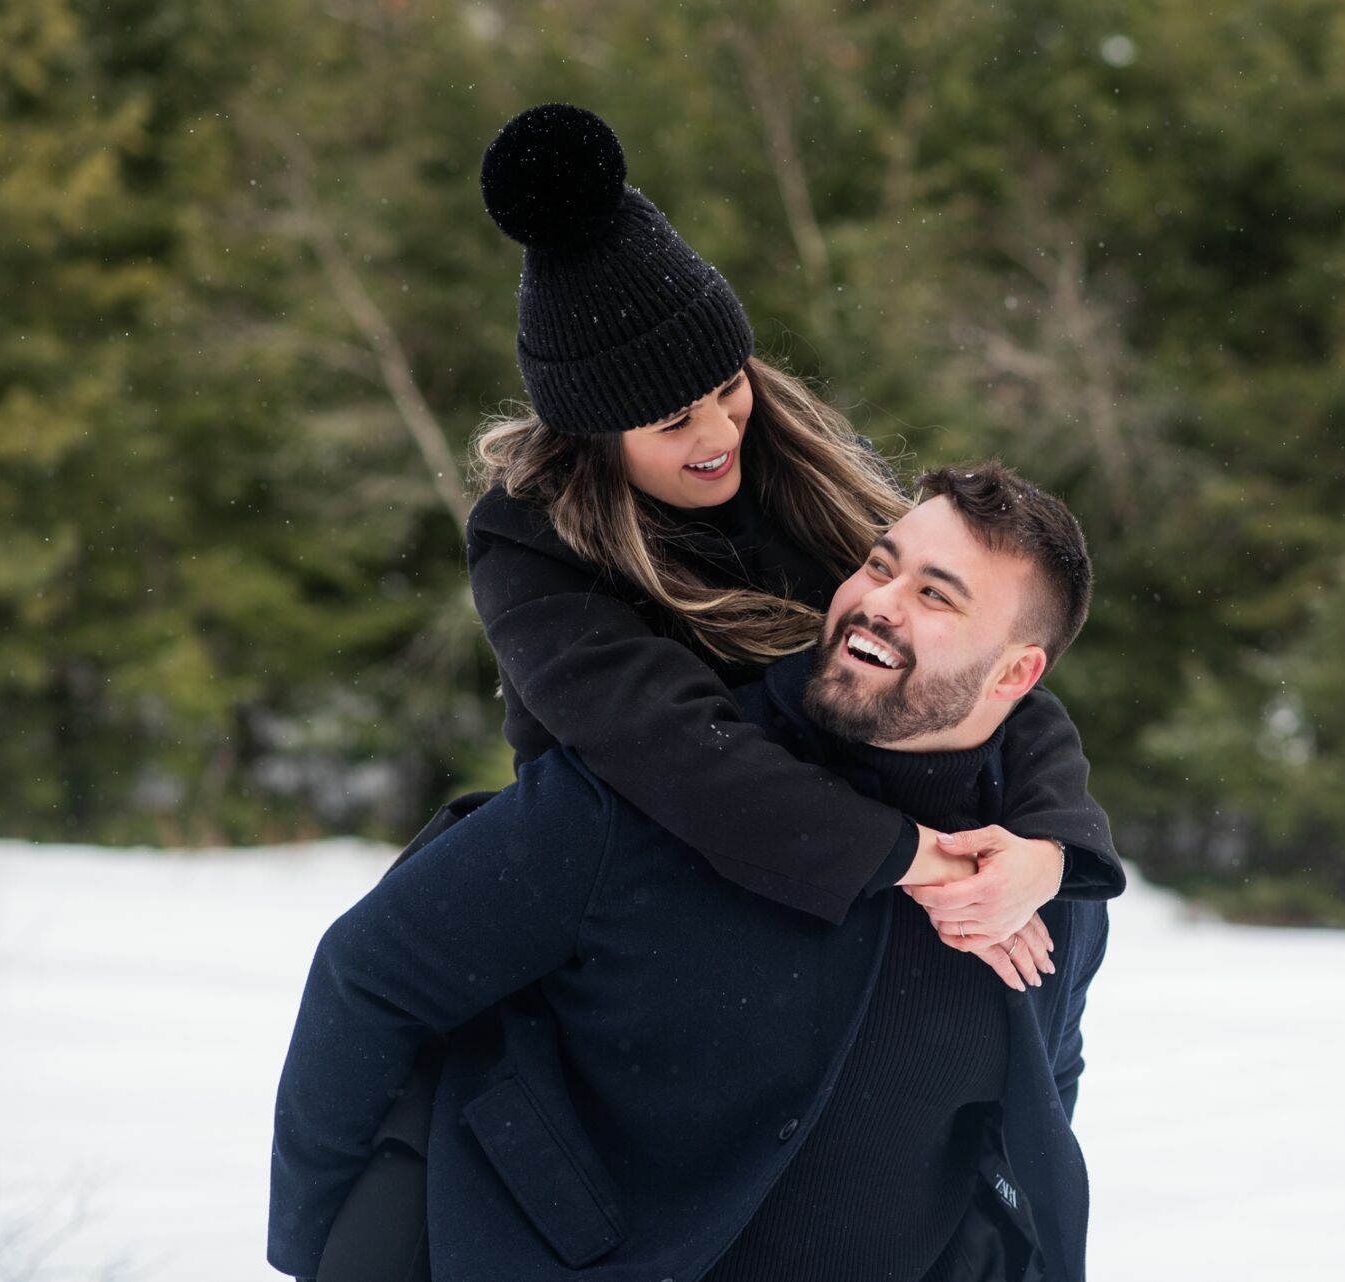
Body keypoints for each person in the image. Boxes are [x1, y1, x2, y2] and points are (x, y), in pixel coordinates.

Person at [270, 463, 1109, 1282]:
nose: (878, 602)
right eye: (880, 565)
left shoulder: (1036, 883)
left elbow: (1036, 1093)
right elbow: (373, 974)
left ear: (1016, 675)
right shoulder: (659, 786)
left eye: (935, 595)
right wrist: (323, 1249)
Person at [456, 103, 1121, 970]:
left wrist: (1050, 850)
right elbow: (678, 754)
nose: (720, 434)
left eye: (729, 386)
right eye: (672, 422)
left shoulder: (803, 465)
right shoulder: (532, 545)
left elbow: (996, 661)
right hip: (634, 897)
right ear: (596, 437)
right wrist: (919, 859)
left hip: (842, 872)